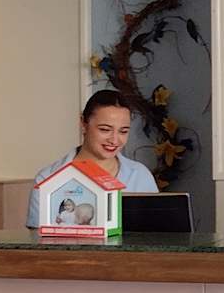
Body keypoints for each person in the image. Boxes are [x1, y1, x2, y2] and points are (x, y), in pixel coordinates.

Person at [27, 89, 158, 228]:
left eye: (123, 131)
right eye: (105, 129)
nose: (114, 140)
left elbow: (157, 231)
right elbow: (36, 237)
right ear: (84, 124)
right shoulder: (47, 179)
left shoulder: (140, 176)